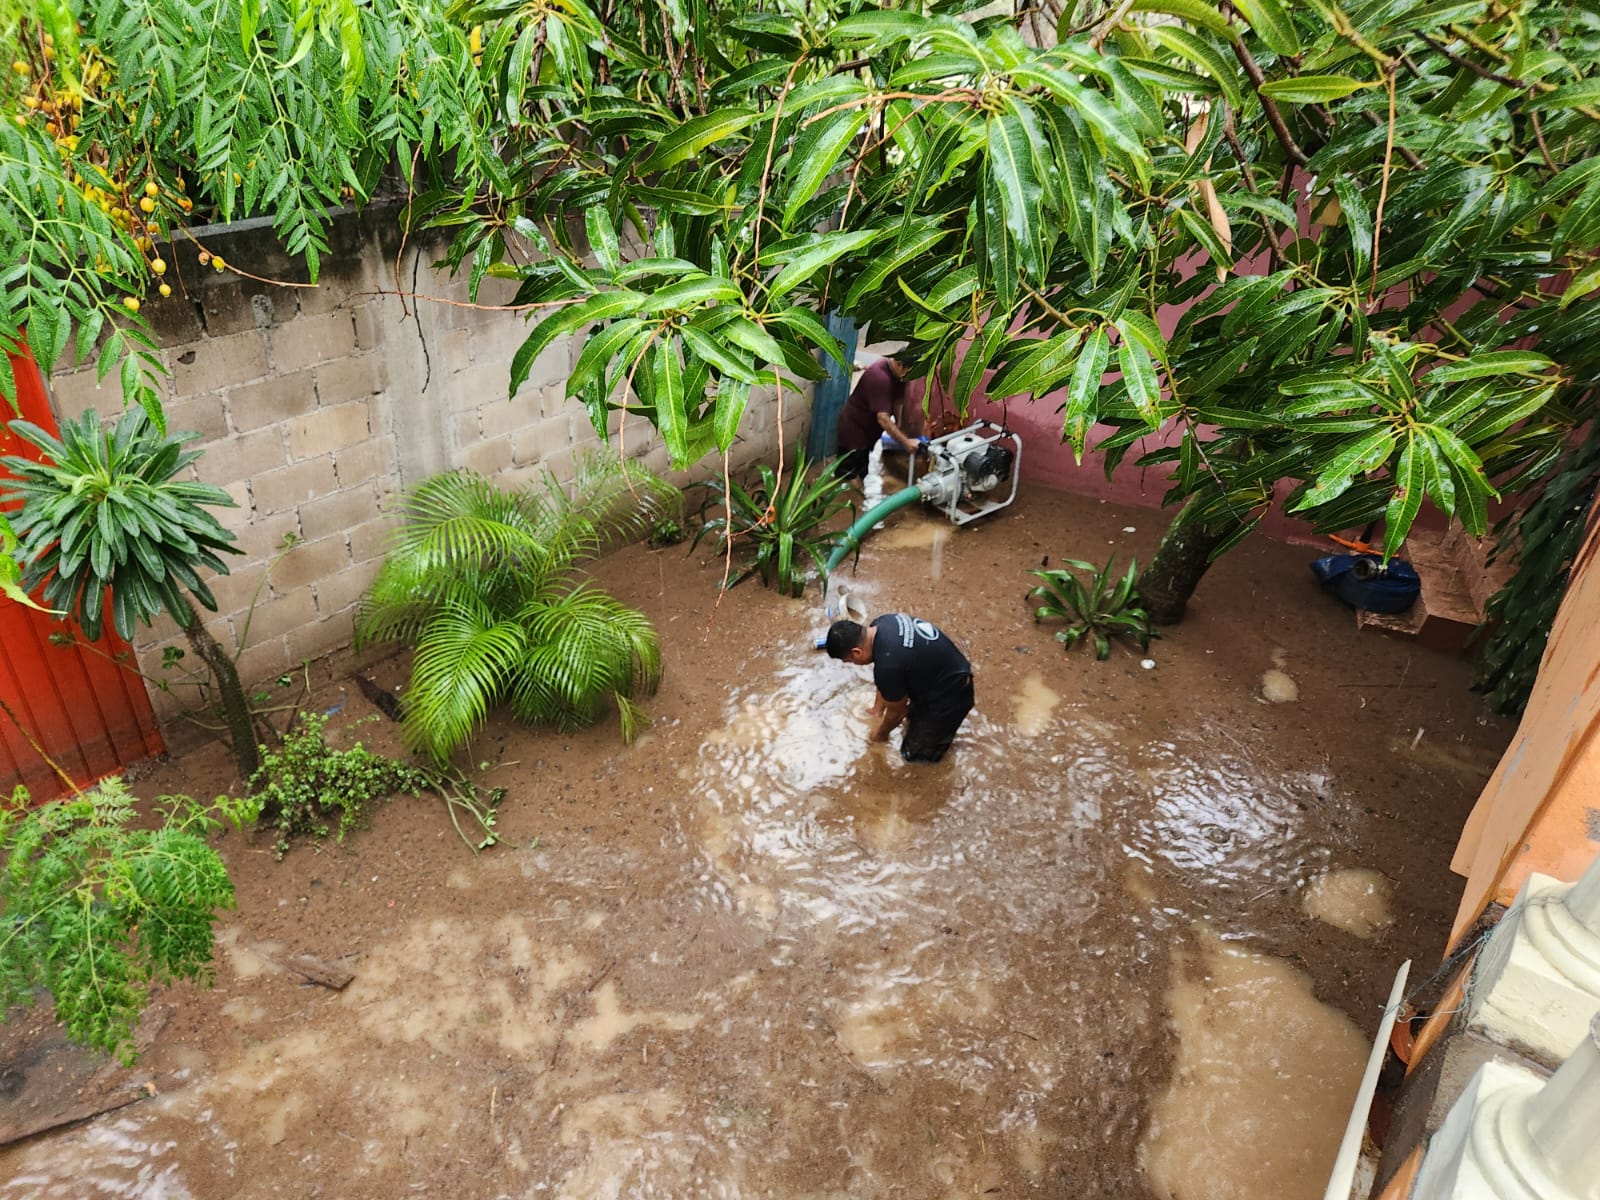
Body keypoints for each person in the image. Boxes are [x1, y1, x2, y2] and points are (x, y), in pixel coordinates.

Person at [825, 614, 975, 763]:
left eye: (850, 661)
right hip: (945, 673)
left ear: (856, 652)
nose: (853, 664)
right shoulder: (882, 624)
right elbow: (886, 676)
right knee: (911, 720)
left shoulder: (888, 665)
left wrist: (880, 735)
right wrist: (877, 710)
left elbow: (897, 713)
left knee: (914, 755)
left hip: (952, 695)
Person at [834, 355, 924, 481]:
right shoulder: (880, 377)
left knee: (862, 470)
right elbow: (883, 419)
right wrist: (906, 442)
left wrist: (898, 426)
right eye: (909, 373)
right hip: (854, 431)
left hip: (868, 433)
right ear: (899, 364)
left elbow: (898, 402)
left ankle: (859, 491)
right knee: (846, 474)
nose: (909, 378)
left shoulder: (899, 376)